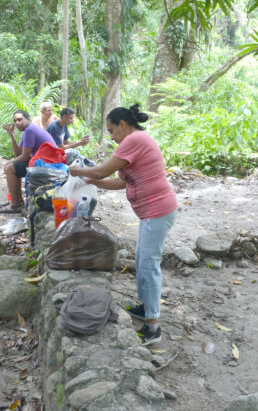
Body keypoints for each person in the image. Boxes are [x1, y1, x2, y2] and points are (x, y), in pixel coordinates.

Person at [69, 104, 177, 346]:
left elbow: (104, 169)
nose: (111, 136)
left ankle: (153, 326)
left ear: (123, 125)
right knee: (141, 260)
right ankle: (146, 307)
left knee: (149, 265)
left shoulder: (134, 139)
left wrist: (81, 171)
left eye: (111, 130)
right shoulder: (134, 142)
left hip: (157, 211)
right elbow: (120, 182)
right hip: (151, 212)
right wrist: (90, 180)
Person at [0, 110, 56, 213]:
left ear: (27, 119)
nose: (17, 123)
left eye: (20, 120)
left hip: (48, 165)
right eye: (15, 121)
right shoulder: (27, 131)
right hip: (41, 162)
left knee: (10, 168)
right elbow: (19, 154)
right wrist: (12, 135)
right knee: (13, 166)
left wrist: (10, 162)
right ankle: (17, 201)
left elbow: (24, 157)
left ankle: (16, 205)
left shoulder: (30, 130)